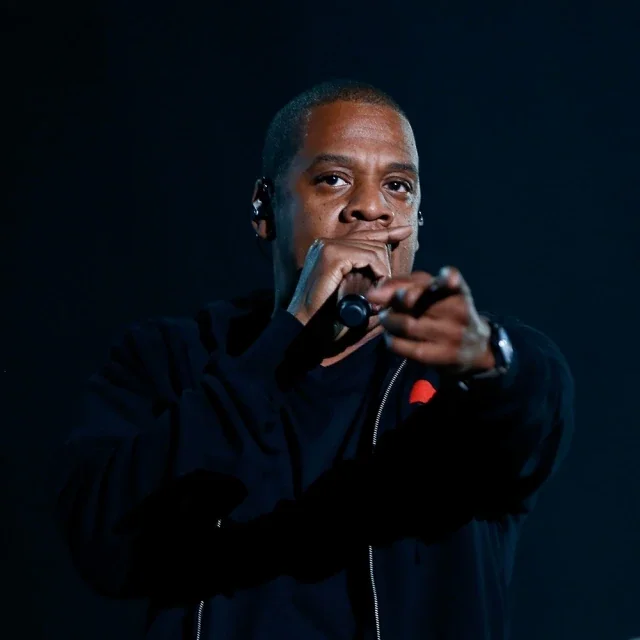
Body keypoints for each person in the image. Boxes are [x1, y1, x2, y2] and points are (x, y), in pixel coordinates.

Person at [54, 80, 574, 640]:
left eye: (398, 186)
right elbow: (103, 543)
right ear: (264, 209)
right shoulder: (172, 358)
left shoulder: (464, 373)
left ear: (418, 223)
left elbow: (533, 409)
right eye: (333, 179)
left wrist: (491, 356)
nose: (371, 207)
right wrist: (286, 339)